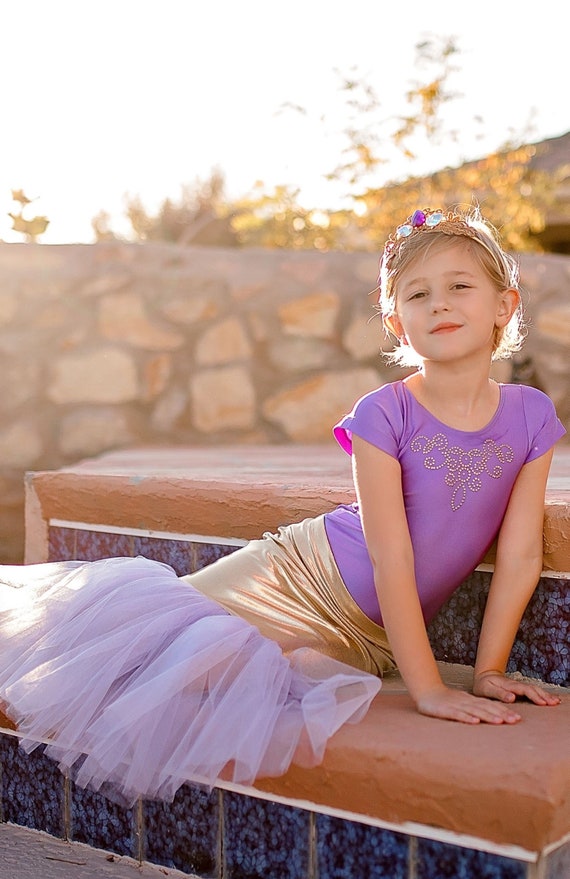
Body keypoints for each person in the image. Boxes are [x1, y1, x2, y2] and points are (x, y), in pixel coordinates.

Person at [0, 207, 565, 805]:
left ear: (505, 305)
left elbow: (523, 553)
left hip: (365, 638)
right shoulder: (384, 412)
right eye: (418, 294)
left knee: (253, 685)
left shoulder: (530, 416)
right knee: (147, 656)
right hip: (298, 578)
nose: (439, 305)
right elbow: (391, 554)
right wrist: (426, 689)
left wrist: (487, 672)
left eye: (459, 287)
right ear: (398, 323)